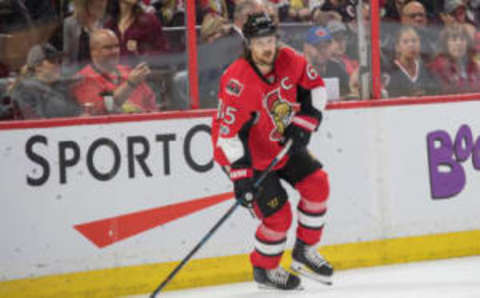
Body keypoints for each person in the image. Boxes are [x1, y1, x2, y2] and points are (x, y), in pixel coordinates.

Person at [211, 13, 333, 290]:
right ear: (248, 45)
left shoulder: (290, 59)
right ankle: (265, 270)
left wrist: (304, 124)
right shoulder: (236, 81)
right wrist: (241, 178)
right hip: (246, 156)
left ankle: (304, 252)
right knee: (278, 217)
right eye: (259, 42)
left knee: (317, 184)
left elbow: (315, 90)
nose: (267, 48)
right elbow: (228, 136)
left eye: (271, 40)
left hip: (279, 144)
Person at [72, 29, 157, 115]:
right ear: (93, 52)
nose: (114, 51)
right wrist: (130, 84)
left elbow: (152, 106)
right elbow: (100, 110)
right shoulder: (83, 78)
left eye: (116, 46)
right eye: (108, 48)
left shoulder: (129, 72)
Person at [9, 43, 81, 119]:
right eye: (52, 61)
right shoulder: (24, 90)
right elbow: (35, 122)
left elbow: (75, 111)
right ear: (38, 66)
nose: (58, 64)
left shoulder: (59, 86)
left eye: (59, 61)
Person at [105, 0, 169, 66]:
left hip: (146, 73)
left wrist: (140, 51)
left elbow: (164, 53)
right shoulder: (110, 25)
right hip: (118, 74)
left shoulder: (149, 21)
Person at [383, 26, 438, 97]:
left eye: (414, 41)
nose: (411, 45)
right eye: (405, 42)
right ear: (397, 47)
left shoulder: (428, 70)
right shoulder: (389, 72)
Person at [428, 24, 480, 94]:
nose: (459, 43)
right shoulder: (440, 66)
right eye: (454, 40)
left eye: (462, 39)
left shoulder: (471, 64)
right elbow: (450, 91)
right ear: (445, 44)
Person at [63, 0, 109, 75]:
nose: (103, 3)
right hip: (77, 77)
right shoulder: (70, 24)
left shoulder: (107, 23)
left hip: (102, 76)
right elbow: (67, 59)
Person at [303, 26, 350, 99]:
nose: (322, 51)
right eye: (317, 47)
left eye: (326, 46)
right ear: (307, 48)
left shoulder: (337, 68)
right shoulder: (298, 71)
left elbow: (347, 95)